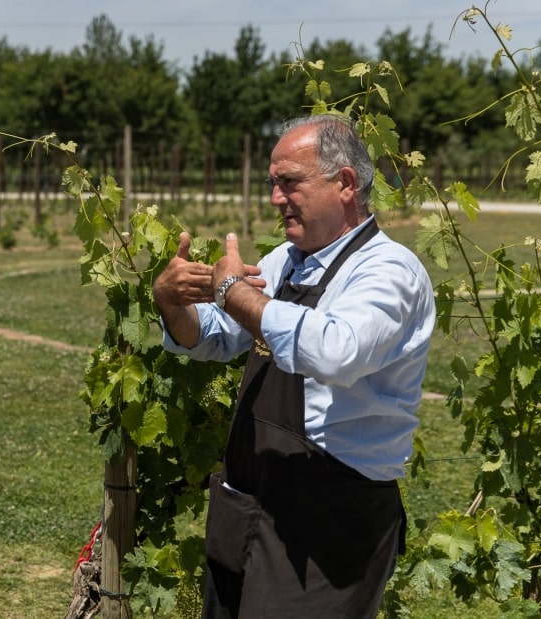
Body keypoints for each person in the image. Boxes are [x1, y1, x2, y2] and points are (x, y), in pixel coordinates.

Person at [153, 114, 435, 618]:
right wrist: (172, 303)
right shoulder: (287, 259)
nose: (276, 198)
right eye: (273, 184)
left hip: (328, 526)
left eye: (290, 183)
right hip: (249, 505)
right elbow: (217, 337)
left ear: (345, 183)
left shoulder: (389, 270)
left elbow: (335, 350)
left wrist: (232, 292)